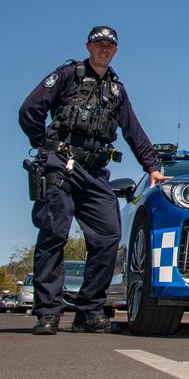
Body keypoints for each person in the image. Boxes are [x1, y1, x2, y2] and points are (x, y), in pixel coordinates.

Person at [19, 26, 168, 335]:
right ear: (88, 46)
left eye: (109, 46)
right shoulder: (67, 75)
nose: (104, 50)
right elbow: (29, 110)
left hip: (95, 171)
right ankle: (48, 312)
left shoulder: (116, 89)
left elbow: (133, 130)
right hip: (61, 165)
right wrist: (47, 143)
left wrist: (152, 166)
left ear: (115, 50)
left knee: (108, 237)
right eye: (99, 44)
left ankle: (88, 311)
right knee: (54, 235)